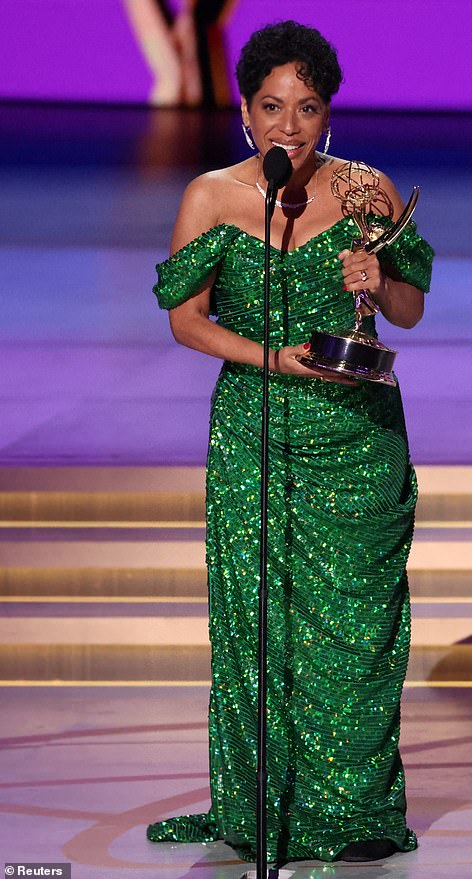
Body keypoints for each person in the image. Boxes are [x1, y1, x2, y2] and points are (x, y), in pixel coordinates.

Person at [146, 20, 433, 865]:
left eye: (307, 106)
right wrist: (275, 359)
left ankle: (356, 811)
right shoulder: (211, 195)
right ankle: (264, 803)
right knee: (260, 624)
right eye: (272, 105)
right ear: (244, 109)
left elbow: (409, 311)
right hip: (256, 432)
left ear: (328, 112)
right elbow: (184, 319)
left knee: (356, 627)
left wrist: (380, 282)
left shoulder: (366, 189)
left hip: (358, 436)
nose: (290, 124)